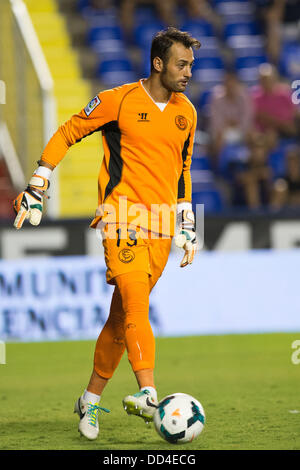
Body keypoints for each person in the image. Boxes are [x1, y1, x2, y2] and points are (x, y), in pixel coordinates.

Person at [13, 27, 200, 440]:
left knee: (120, 321)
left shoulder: (187, 111)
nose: (188, 72)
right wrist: (38, 183)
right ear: (158, 63)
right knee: (136, 305)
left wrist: (187, 223)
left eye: (190, 64)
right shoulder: (118, 101)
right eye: (181, 64)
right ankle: (149, 392)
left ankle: (90, 400)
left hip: (161, 227)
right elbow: (68, 132)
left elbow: (183, 170)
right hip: (121, 219)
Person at [209, 69, 254, 169]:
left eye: (232, 84)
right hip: (223, 131)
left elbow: (247, 119)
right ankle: (220, 171)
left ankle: (248, 168)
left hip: (241, 131)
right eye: (227, 84)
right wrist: (228, 125)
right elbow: (216, 123)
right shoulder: (217, 98)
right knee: (218, 139)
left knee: (252, 136)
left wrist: (237, 125)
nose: (230, 87)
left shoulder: (244, 97)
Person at [251, 63, 298, 138]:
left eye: (268, 79)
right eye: (263, 80)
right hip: (264, 133)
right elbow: (258, 117)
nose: (266, 82)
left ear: (275, 79)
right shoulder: (254, 97)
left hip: (287, 131)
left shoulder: (285, 94)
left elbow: (294, 113)